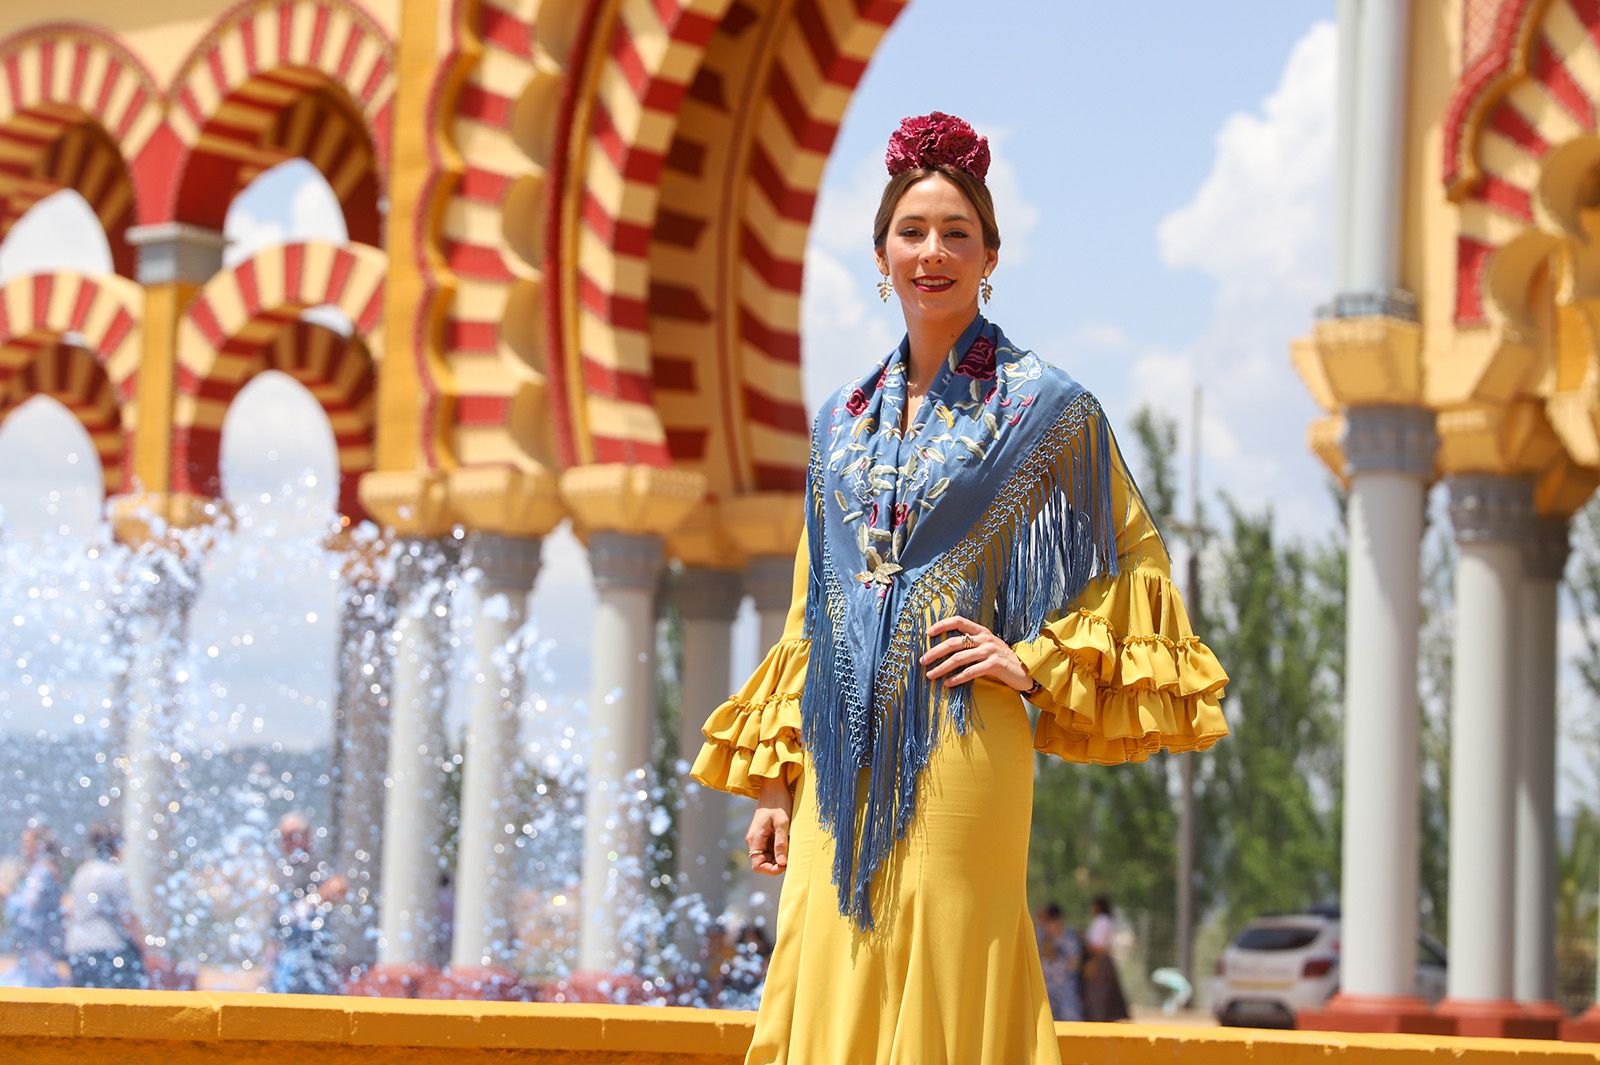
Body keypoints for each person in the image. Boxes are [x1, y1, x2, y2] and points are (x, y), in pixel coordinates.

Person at [690, 112, 1228, 1063]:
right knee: (820, 957)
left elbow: (1137, 562)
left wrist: (1030, 659)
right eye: (912, 231)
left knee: (950, 966)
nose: (931, 252)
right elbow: (812, 608)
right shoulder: (838, 424)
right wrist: (773, 779)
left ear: (989, 257)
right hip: (830, 753)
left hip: (964, 736)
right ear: (881, 254)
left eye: (956, 234)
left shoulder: (1048, 405)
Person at [268, 811, 347, 995]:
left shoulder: (314, 863)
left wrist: (308, 903)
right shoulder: (286, 869)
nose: (288, 842)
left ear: (307, 836)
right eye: (284, 837)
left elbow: (339, 885)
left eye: (293, 836)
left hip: (310, 957)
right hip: (285, 956)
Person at [64, 822, 148, 989]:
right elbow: (126, 916)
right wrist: (144, 945)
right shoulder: (114, 874)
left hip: (77, 948)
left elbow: (69, 908)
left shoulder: (82, 872)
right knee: (116, 1007)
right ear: (117, 846)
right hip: (107, 948)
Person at [0, 824, 65, 987]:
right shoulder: (43, 870)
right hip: (37, 948)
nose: (23, 849)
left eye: (26, 844)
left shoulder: (42, 871)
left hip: (37, 949)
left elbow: (29, 908)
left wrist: (7, 894)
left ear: (38, 846)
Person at [1082, 895, 1131, 1023]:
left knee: (1099, 994)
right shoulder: (1104, 921)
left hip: (1099, 959)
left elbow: (1097, 945)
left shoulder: (1102, 921)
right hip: (1101, 959)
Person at [1036, 902, 1083, 1022]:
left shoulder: (1068, 937)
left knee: (1070, 1020)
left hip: (1065, 988)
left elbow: (1074, 962)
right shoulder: (1041, 936)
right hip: (1047, 988)